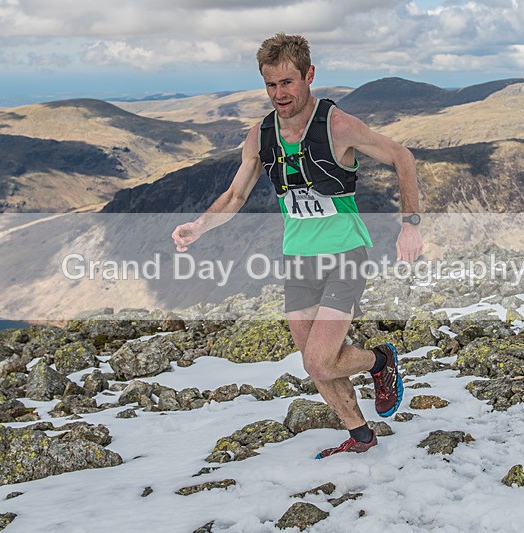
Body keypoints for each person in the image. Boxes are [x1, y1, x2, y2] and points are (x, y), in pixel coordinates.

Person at [172, 33, 423, 458]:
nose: (279, 94)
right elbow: (235, 196)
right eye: (271, 85)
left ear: (309, 76)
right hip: (298, 258)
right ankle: (361, 435)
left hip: (345, 252)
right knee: (315, 358)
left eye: (287, 83)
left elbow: (403, 156)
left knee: (319, 361)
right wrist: (200, 226)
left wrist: (410, 225)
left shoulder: (337, 125)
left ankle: (381, 361)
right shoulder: (261, 135)